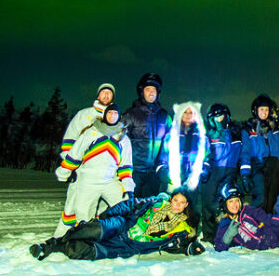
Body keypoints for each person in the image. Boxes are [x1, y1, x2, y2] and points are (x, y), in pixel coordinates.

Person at [31, 189, 204, 260]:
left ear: (187, 204)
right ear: (171, 199)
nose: (177, 205)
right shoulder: (156, 202)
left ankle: (59, 248)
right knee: (92, 230)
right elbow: (130, 204)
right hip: (124, 225)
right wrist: (107, 214)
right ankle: (48, 245)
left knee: (89, 251)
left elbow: (180, 245)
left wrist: (193, 248)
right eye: (175, 200)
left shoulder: (183, 227)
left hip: (129, 245)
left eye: (182, 203)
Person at [52, 103, 134, 238]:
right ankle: (85, 239)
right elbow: (75, 154)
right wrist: (66, 172)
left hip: (110, 181)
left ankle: (122, 236)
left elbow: (126, 166)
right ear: (105, 115)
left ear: (119, 117)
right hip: (88, 181)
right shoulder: (91, 132)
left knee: (124, 207)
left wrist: (128, 188)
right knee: (83, 214)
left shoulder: (124, 138)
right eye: (109, 113)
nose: (112, 116)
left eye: (115, 113)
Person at [160, 101, 208, 235]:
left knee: (191, 206)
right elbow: (163, 154)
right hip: (174, 176)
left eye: (191, 112)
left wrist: (204, 171)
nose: (187, 115)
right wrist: (163, 172)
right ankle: (168, 233)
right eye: (185, 112)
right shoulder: (172, 133)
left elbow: (207, 155)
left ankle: (190, 233)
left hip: (192, 176)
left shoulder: (201, 134)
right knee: (171, 206)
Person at [121, 72, 170, 197]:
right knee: (131, 208)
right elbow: (118, 140)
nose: (151, 92)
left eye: (154, 90)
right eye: (148, 89)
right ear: (142, 92)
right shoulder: (131, 114)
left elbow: (169, 143)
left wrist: (163, 166)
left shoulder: (164, 116)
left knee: (150, 208)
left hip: (154, 172)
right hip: (134, 171)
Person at [201, 103, 238, 242]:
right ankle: (209, 235)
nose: (219, 119)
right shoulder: (208, 133)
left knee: (227, 203)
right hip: (213, 170)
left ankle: (226, 233)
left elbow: (242, 151)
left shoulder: (235, 132)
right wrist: (203, 169)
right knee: (209, 202)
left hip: (230, 170)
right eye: (216, 116)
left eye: (221, 116)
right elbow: (203, 151)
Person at [60, 82, 115, 154]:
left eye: (109, 93)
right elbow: (71, 135)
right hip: (84, 160)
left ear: (112, 97)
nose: (106, 95)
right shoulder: (83, 114)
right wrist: (69, 157)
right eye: (103, 92)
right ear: (98, 96)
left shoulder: (117, 117)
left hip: (107, 162)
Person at [239, 94, 274, 208]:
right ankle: (252, 221)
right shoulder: (249, 129)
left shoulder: (271, 128)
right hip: (256, 166)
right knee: (260, 197)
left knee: (270, 199)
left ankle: (266, 224)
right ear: (256, 110)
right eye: (261, 109)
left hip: (270, 166)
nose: (264, 112)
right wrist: (245, 174)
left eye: (267, 109)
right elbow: (245, 151)